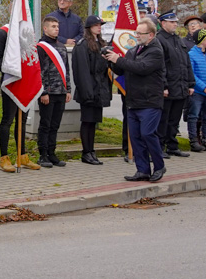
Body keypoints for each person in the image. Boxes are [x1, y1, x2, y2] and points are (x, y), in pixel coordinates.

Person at [104, 18, 167, 182]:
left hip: (150, 101)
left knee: (147, 133)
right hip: (133, 101)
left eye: (140, 33)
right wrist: (111, 59)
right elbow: (123, 69)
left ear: (151, 35)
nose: (137, 36)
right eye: (136, 32)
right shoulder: (133, 50)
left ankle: (159, 166)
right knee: (136, 137)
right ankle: (143, 170)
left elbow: (142, 68)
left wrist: (119, 60)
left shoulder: (156, 51)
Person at [0, 21, 37, 172]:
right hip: (11, 81)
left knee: (22, 120)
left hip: (25, 82)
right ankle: (4, 158)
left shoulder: (26, 33)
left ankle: (22, 155)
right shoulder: (2, 33)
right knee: (8, 120)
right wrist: (12, 68)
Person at [71, 15, 111, 165]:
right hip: (89, 90)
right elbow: (82, 71)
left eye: (100, 24)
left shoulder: (100, 44)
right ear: (89, 27)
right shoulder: (82, 45)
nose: (99, 27)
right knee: (87, 121)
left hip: (99, 89)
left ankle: (91, 151)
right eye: (96, 25)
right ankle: (86, 152)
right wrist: (88, 92)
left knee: (94, 122)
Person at [155, 10, 195, 158]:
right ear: (163, 23)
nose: (175, 24)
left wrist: (191, 83)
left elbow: (186, 63)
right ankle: (159, 147)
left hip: (181, 86)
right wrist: (164, 86)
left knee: (174, 120)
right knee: (163, 119)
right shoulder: (160, 40)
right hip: (168, 87)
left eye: (176, 22)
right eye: (172, 22)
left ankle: (172, 145)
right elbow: (161, 66)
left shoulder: (178, 40)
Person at [36, 16, 72, 168]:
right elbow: (39, 72)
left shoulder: (61, 46)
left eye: (57, 26)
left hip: (61, 91)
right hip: (48, 93)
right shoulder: (41, 47)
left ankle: (52, 153)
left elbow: (66, 70)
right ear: (45, 28)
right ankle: (43, 155)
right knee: (46, 123)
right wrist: (43, 92)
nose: (56, 29)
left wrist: (68, 89)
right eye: (53, 26)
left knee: (55, 124)